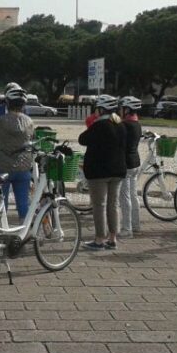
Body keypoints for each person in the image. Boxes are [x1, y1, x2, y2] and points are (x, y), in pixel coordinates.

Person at [78, 94, 125, 250]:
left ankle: (99, 240)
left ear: (101, 109)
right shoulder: (120, 125)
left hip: (99, 171)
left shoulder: (100, 125)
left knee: (99, 205)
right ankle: (113, 238)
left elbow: (82, 139)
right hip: (118, 170)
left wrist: (94, 122)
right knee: (113, 204)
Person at [0, 86, 34, 223]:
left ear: (8, 103)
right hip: (23, 166)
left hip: (2, 166)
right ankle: (24, 231)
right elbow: (31, 139)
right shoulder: (29, 121)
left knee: (1, 202)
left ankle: (2, 228)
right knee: (23, 203)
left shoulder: (1, 120)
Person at [117, 96, 143, 238]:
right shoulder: (137, 124)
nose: (120, 111)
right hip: (135, 162)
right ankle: (136, 225)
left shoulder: (124, 126)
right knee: (133, 195)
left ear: (127, 110)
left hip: (125, 164)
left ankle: (127, 229)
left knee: (124, 197)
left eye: (122, 108)